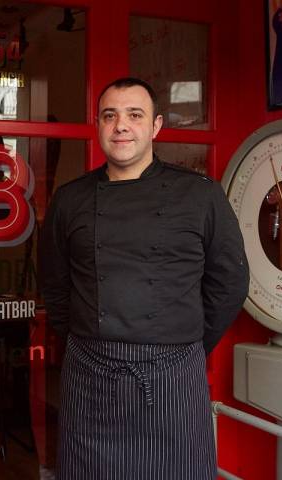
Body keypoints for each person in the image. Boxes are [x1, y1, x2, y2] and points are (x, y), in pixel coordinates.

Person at [38, 77, 249, 480]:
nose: (121, 125)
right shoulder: (70, 199)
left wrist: (181, 344)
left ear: (155, 126)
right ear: (98, 126)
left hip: (172, 375)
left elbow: (230, 283)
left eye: (134, 115)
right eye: (110, 115)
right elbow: (55, 285)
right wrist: (86, 340)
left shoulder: (200, 195)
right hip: (89, 374)